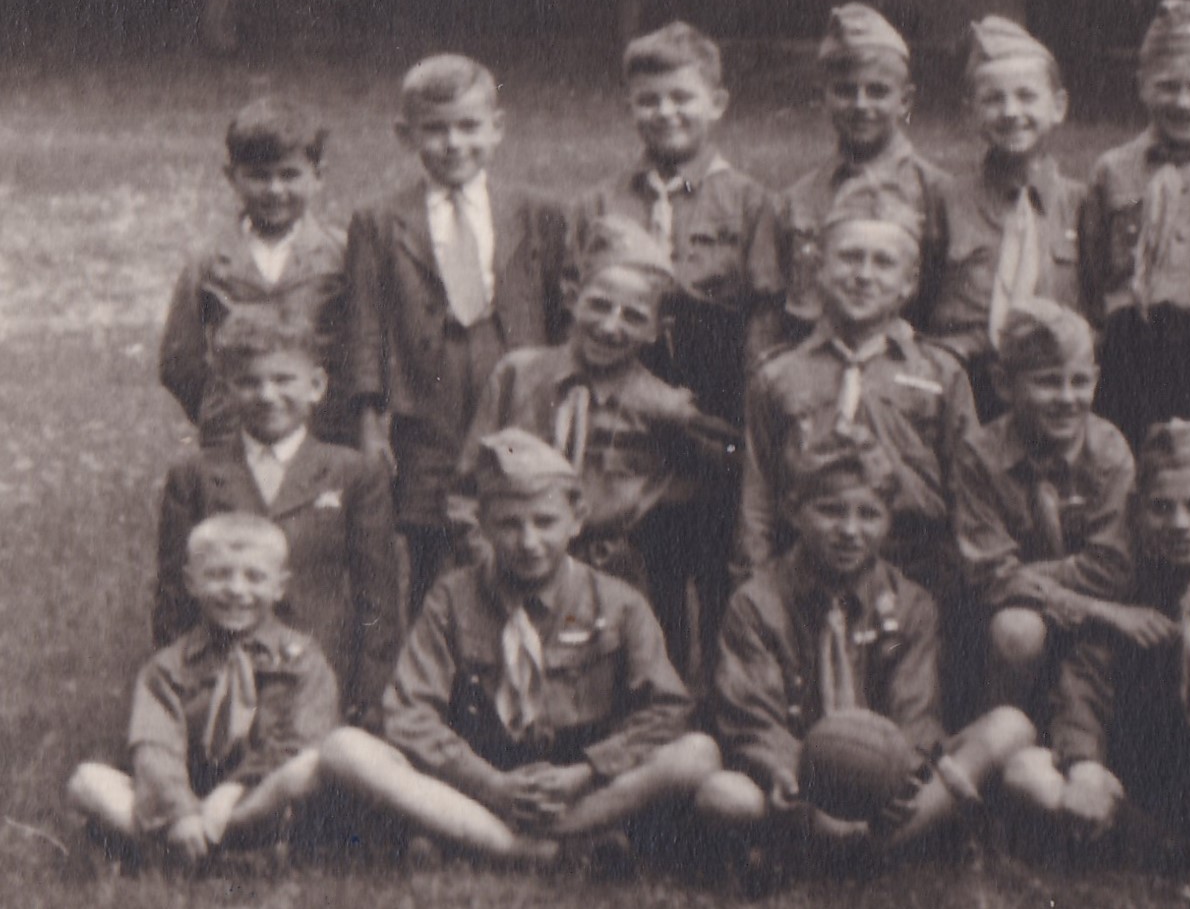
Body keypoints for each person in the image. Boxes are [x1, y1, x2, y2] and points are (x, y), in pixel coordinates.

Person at [318, 432, 720, 867]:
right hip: (477, 780)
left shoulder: (618, 603)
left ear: (577, 519)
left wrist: (587, 772)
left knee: (698, 754)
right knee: (344, 748)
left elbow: (668, 710)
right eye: (510, 524)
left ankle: (502, 835)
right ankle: (539, 849)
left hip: (582, 785)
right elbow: (408, 713)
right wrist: (489, 784)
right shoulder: (452, 599)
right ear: (483, 523)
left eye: (545, 522)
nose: (529, 542)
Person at [696, 428, 1032, 866]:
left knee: (1010, 727)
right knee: (724, 796)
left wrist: (897, 782)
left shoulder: (911, 604)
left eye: (869, 514)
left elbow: (915, 717)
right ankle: (855, 844)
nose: (850, 531)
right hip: (797, 781)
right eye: (831, 511)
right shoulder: (756, 604)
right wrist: (791, 776)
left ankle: (858, 848)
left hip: (885, 778)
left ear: (889, 520)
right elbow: (753, 721)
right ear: (793, 511)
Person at [566, 22, 772, 677]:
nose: (665, 112)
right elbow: (576, 314)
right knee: (641, 578)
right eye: (649, 100)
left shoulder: (750, 204)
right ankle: (648, 701)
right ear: (630, 106)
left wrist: (747, 421)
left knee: (720, 575)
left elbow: (764, 318)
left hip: (716, 419)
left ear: (717, 102)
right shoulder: (600, 203)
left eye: (682, 97)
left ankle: (721, 704)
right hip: (627, 425)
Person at [1002, 421, 1190, 864]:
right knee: (1025, 772)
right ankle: (1160, 844)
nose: (1179, 524)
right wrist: (1085, 765)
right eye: (1161, 508)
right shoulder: (1122, 580)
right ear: (1135, 509)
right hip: (1149, 779)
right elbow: (1084, 682)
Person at [343, 53, 572, 613]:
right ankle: (436, 648)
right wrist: (370, 421)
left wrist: (559, 393)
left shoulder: (536, 212)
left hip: (514, 391)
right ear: (406, 134)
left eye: (469, 126)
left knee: (519, 517)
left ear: (497, 128)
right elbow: (365, 323)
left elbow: (560, 311)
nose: (453, 143)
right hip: (428, 401)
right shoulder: (379, 220)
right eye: (435, 129)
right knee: (431, 536)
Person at [472, 220, 740, 653]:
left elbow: (718, 479)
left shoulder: (665, 408)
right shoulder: (517, 376)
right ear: (572, 297)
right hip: (510, 568)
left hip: (611, 584)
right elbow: (468, 487)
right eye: (599, 305)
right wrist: (488, 564)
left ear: (657, 329)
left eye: (633, 316)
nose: (610, 327)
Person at [735, 187, 980, 602]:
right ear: (818, 268)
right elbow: (757, 499)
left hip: (916, 573)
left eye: (884, 262)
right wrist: (756, 591)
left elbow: (969, 494)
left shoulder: (940, 374)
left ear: (909, 282)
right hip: (804, 575)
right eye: (850, 257)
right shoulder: (779, 375)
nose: (864, 275)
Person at [153, 310, 399, 717]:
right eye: (249, 382)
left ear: (316, 385)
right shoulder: (195, 476)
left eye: (284, 380)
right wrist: (185, 692)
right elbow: (172, 603)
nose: (267, 395)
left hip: (320, 681)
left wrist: (366, 700)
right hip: (220, 685)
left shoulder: (352, 474)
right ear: (226, 390)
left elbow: (378, 604)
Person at [72, 514, 336, 866]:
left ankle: (180, 853)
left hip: (258, 800)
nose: (236, 590)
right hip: (188, 801)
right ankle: (205, 848)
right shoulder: (167, 668)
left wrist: (233, 790)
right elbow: (155, 748)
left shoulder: (302, 659)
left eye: (255, 577)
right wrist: (181, 813)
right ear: (191, 582)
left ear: (280, 587)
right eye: (218, 575)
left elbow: (299, 741)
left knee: (312, 765)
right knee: (87, 781)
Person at [946, 298, 1141, 711]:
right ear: (1004, 384)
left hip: (1094, 625)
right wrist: (1094, 608)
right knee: (1017, 630)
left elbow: (1111, 567)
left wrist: (1024, 576)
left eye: (1080, 381)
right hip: (1008, 624)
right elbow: (989, 576)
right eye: (1048, 382)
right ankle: (1006, 722)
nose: (1068, 398)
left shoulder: (1109, 450)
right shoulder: (980, 456)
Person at [1080, 0, 1190, 443]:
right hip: (1130, 354)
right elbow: (1092, 271)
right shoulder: (1113, 171)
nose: (1183, 102)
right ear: (1142, 85)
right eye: (1167, 86)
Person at [747, 4, 957, 363]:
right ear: (823, 97)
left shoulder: (940, 195)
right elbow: (766, 317)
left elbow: (948, 316)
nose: (861, 105)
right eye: (845, 91)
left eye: (878, 91)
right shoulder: (794, 201)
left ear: (905, 100)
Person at [159, 97, 348, 444]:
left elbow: (366, 347)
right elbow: (179, 359)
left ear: (318, 176)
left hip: (322, 434)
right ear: (232, 177)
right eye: (260, 177)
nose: (275, 190)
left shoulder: (341, 254)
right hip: (233, 436)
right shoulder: (209, 261)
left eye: (289, 175)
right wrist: (221, 406)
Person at [929, 14, 1082, 417]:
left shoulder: (1082, 205)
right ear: (970, 113)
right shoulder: (945, 201)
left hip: (1057, 390)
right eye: (993, 100)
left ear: (1058, 106)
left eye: (1027, 96)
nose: (1011, 112)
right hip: (966, 385)